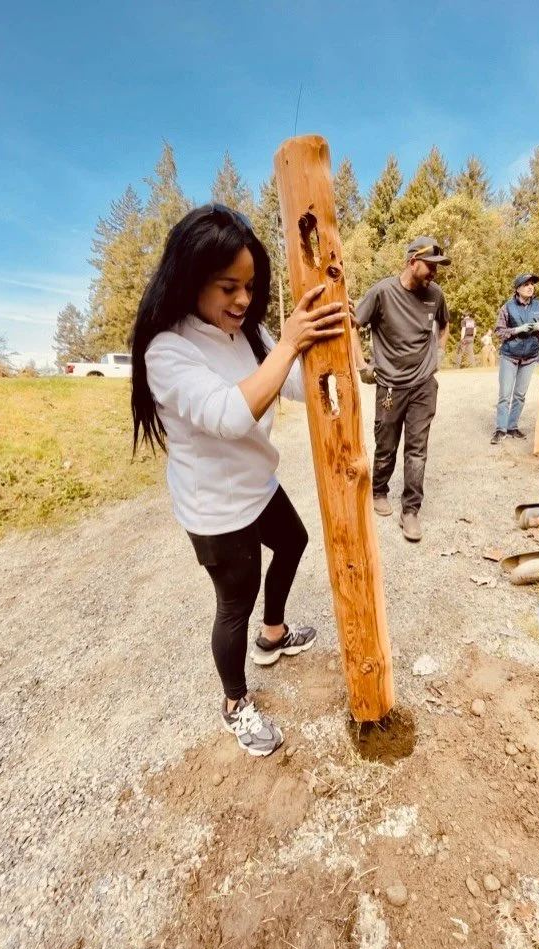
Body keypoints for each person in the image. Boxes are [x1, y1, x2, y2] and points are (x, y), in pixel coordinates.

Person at [129, 204, 345, 757]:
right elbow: (229, 415)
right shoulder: (167, 349)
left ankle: (273, 637)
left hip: (257, 483)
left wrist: (323, 346)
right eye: (229, 287)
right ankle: (235, 702)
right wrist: (292, 343)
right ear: (191, 278)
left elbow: (292, 385)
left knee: (293, 541)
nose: (243, 300)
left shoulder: (248, 333)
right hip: (215, 507)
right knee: (234, 603)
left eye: (249, 287)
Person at [352, 236, 450, 542]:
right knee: (386, 444)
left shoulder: (436, 295)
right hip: (391, 385)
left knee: (417, 450)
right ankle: (379, 490)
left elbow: (444, 325)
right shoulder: (382, 292)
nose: (434, 273)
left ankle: (411, 511)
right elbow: (352, 324)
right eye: (430, 267)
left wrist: (439, 354)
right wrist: (361, 365)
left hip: (423, 385)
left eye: (437, 268)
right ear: (412, 262)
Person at [491, 273, 539, 444]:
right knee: (505, 395)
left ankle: (512, 426)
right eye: (526, 284)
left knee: (520, 395)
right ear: (517, 289)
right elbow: (499, 331)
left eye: (532, 284)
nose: (530, 287)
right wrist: (517, 330)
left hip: (529, 356)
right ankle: (500, 429)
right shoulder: (507, 307)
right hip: (510, 355)